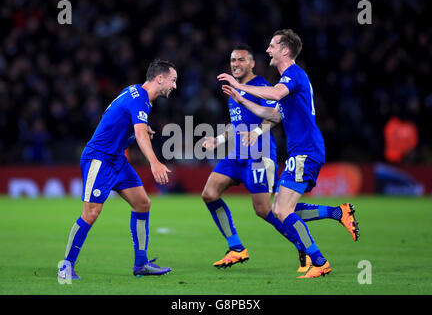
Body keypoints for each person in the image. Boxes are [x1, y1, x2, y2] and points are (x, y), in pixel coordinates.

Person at [204, 44, 357, 273]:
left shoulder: (266, 85)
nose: (236, 64)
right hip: (237, 154)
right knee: (209, 193)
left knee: (268, 209)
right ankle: (236, 247)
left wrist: (255, 132)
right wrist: (219, 139)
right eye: (233, 60)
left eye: (241, 60)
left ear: (252, 63)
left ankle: (306, 246)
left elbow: (273, 117)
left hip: (260, 153)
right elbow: (240, 124)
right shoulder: (234, 95)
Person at [58, 59, 177, 280]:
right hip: (99, 159)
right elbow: (139, 135)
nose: (175, 86)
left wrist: (137, 130)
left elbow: (117, 119)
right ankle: (66, 265)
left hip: (117, 160)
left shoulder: (134, 92)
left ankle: (141, 263)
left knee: (142, 203)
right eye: (173, 80)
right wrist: (154, 161)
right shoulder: (141, 100)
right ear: (160, 78)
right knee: (91, 213)